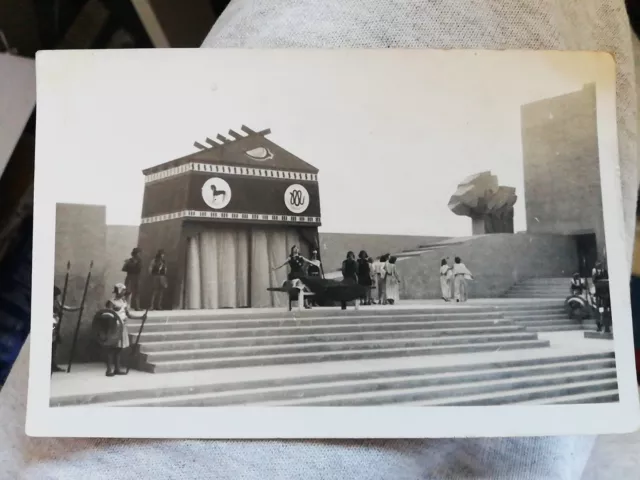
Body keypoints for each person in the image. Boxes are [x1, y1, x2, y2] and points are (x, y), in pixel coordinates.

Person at [104, 283, 146, 377]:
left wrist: (140, 317)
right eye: (122, 290)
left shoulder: (124, 302)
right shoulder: (111, 302)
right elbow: (107, 314)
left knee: (119, 349)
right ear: (118, 290)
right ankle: (109, 370)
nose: (124, 293)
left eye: (124, 291)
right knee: (111, 349)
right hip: (114, 327)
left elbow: (128, 314)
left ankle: (117, 369)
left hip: (122, 326)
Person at [52, 286, 81, 373]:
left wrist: (77, 308)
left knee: (54, 346)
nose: (56, 297)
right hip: (50, 325)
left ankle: (53, 364)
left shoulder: (56, 301)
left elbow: (65, 307)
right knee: (50, 345)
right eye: (55, 295)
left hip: (55, 326)